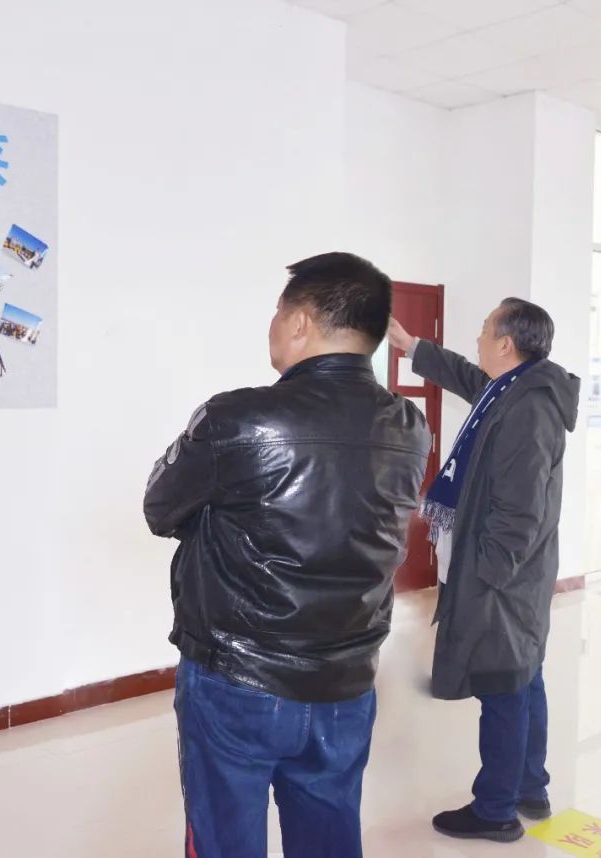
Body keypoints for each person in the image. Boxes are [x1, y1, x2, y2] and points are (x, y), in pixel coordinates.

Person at [144, 252, 431, 858]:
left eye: (278, 313)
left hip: (237, 677)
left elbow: (160, 508)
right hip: (349, 678)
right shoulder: (408, 425)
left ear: (300, 322)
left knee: (224, 839)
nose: (272, 326)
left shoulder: (236, 418)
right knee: (329, 837)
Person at [387, 298, 580, 844]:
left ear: (506, 344)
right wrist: (412, 347)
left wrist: (487, 578)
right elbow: (468, 377)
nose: (477, 338)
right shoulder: (513, 389)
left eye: (484, 329)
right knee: (524, 675)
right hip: (515, 575)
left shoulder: (528, 409)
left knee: (502, 687)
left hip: (504, 578)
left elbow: (520, 512)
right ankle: (529, 788)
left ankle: (495, 810)